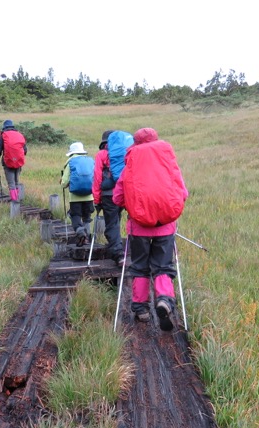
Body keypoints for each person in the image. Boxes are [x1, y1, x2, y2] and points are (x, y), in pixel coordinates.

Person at [113, 128, 188, 331]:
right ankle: (164, 300)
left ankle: (141, 309)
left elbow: (117, 197)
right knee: (163, 266)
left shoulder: (131, 164)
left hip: (138, 228)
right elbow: (183, 193)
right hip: (165, 227)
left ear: (135, 143)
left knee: (139, 267)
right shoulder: (168, 163)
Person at [92, 130, 124, 266]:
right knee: (117, 220)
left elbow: (97, 177)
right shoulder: (124, 153)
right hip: (124, 193)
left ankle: (118, 254)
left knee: (112, 223)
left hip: (108, 195)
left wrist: (97, 199)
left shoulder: (102, 154)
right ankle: (118, 245)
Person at [60, 141, 95, 246]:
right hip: (89, 195)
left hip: (75, 197)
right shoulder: (91, 161)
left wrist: (62, 183)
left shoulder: (70, 162)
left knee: (75, 216)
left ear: (71, 153)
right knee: (87, 217)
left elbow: (64, 182)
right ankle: (87, 237)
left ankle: (80, 233)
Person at [0, 120, 27, 203]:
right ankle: (17, 198)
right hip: (19, 162)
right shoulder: (19, 134)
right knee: (16, 181)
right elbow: (25, 150)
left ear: (4, 127)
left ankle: (14, 201)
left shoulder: (3, 135)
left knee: (11, 183)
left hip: (8, 162)